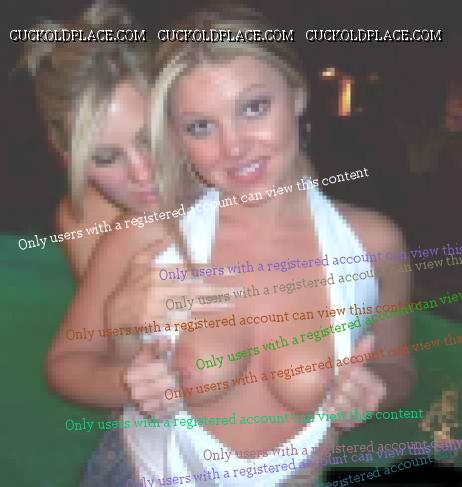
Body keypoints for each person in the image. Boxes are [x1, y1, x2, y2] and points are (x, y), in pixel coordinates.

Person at [47, 5, 413, 487]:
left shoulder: (373, 241)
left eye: (253, 107)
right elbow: (67, 364)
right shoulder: (150, 237)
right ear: (177, 136)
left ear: (297, 95)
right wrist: (129, 383)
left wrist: (374, 391)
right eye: (201, 126)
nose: (233, 147)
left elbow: (397, 366)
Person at [22, 2, 159, 277]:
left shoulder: (229, 177)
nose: (143, 173)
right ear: (65, 155)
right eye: (106, 158)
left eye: (150, 139)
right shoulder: (83, 219)